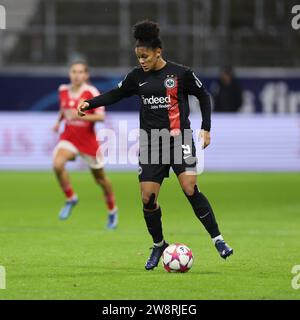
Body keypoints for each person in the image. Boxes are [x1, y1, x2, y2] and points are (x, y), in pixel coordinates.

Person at [77, 20, 233, 270]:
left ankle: (218, 240)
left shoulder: (181, 73)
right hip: (151, 143)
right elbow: (115, 94)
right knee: (148, 198)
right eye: (138, 56)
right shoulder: (136, 77)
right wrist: (90, 103)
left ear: (158, 52)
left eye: (145, 56)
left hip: (179, 138)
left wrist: (206, 128)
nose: (141, 60)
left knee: (190, 188)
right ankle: (159, 243)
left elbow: (203, 95)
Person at [53, 61, 118, 229]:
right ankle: (71, 198)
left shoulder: (91, 92)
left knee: (101, 180)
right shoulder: (63, 90)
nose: (76, 75)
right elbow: (64, 109)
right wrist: (58, 121)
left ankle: (112, 210)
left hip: (88, 142)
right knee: (57, 164)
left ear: (86, 75)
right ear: (70, 74)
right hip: (69, 138)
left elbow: (101, 117)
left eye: (80, 72)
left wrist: (79, 116)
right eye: (74, 71)